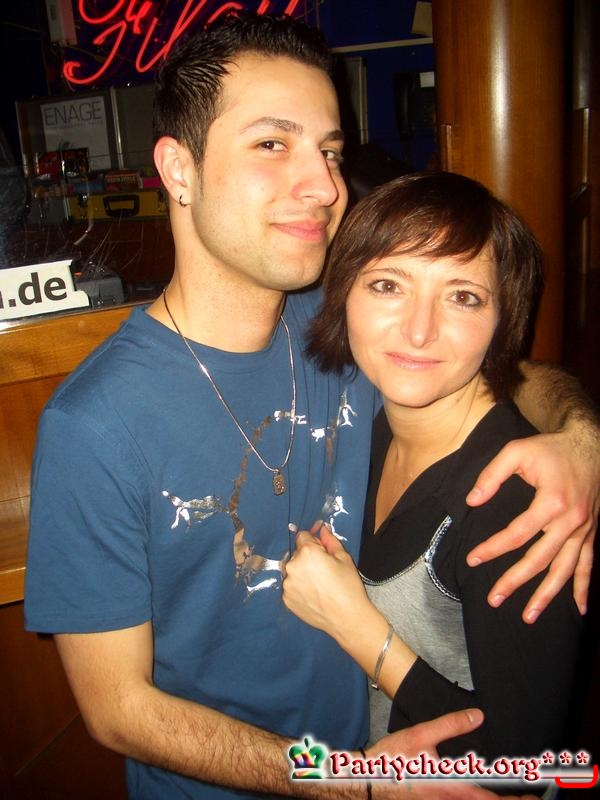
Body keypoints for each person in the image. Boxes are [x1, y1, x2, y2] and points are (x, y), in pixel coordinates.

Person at [23, 13, 598, 800]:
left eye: (329, 150)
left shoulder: (341, 323)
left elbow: (494, 371)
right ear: (179, 168)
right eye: (272, 143)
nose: (326, 186)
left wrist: (582, 439)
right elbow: (119, 712)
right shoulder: (95, 424)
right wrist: (348, 780)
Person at [282, 172, 584, 788]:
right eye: (388, 285)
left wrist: (357, 627)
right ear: (341, 295)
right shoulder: (361, 421)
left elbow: (524, 769)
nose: (419, 330)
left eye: (463, 297)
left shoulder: (516, 503)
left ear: (503, 317)